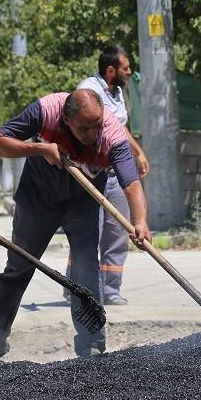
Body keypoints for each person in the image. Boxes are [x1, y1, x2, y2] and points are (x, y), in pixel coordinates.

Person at [0, 89, 152, 359]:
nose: (93, 134)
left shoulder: (113, 135)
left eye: (97, 126)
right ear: (66, 120)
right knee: (19, 265)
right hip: (38, 196)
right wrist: (40, 148)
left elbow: (131, 183)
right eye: (85, 128)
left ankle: (92, 344)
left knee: (86, 270)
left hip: (84, 198)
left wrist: (140, 221)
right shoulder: (46, 110)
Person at [76, 46, 149, 306]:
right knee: (88, 233)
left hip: (116, 173)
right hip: (91, 173)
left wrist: (138, 152)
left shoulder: (118, 93)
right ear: (110, 70)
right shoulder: (88, 90)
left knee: (117, 232)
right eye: (125, 68)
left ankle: (111, 290)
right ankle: (80, 286)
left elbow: (119, 129)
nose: (129, 72)